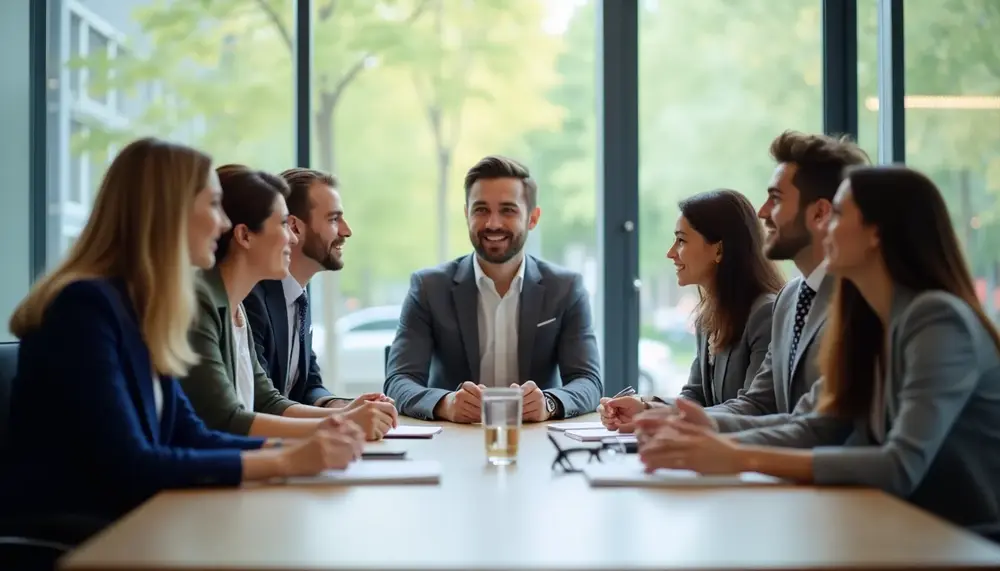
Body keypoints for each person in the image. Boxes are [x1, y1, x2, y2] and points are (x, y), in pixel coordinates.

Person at [1, 139, 363, 525]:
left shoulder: (141, 308)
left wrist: (304, 447)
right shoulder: (85, 309)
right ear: (167, 211)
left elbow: (191, 434)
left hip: (139, 525)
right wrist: (286, 458)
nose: (223, 222)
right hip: (83, 538)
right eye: (211, 205)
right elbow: (132, 463)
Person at [637, 166, 1000, 528]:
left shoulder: (936, 318)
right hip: (890, 525)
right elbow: (815, 425)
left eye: (839, 214)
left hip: (958, 540)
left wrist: (739, 456)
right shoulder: (870, 319)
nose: (824, 226)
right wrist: (712, 429)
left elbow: (898, 465)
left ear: (876, 233)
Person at [602, 131, 869, 434]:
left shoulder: (859, 302)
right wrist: (653, 411)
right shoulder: (789, 300)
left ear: (820, 212)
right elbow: (759, 404)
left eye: (776, 198)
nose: (762, 211)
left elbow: (808, 427)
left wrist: (717, 447)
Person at [179, 165, 397, 441]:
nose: (292, 237)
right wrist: (342, 425)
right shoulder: (204, 302)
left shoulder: (238, 308)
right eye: (283, 224)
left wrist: (346, 413)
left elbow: (268, 400)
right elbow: (225, 419)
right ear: (245, 236)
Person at [385, 155, 602, 422]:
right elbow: (398, 381)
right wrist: (445, 403)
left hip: (537, 440)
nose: (493, 224)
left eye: (508, 210)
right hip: (453, 439)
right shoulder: (429, 287)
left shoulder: (566, 288)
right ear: (467, 215)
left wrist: (549, 403)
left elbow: (588, 382)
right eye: (481, 209)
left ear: (532, 218)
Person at [597, 190, 783, 428]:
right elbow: (695, 397)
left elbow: (753, 408)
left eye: (681, 240)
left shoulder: (765, 313)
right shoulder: (709, 316)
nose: (670, 252)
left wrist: (661, 417)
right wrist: (645, 408)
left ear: (719, 250)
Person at [243, 167, 397, 417]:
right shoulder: (252, 296)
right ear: (294, 227)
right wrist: (344, 418)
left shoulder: (298, 296)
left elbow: (309, 385)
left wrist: (342, 405)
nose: (347, 231)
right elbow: (261, 402)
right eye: (334, 219)